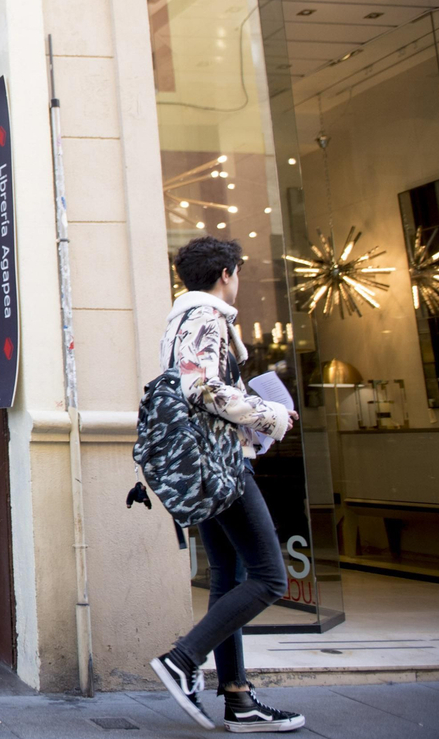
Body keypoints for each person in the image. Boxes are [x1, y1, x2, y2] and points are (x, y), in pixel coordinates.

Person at [151, 237, 305, 733]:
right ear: (224, 273)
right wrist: (271, 415)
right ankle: (182, 659)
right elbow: (201, 387)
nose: (238, 280)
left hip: (206, 463)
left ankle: (238, 698)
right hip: (222, 465)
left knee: (228, 576)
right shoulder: (206, 317)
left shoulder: (181, 321)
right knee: (269, 578)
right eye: (237, 271)